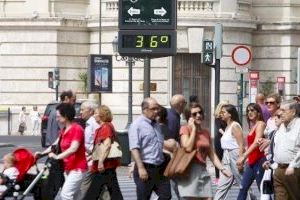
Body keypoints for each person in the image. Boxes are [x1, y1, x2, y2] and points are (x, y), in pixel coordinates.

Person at [177, 102, 231, 200]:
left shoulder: (206, 132)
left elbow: (211, 154)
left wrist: (222, 169)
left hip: (203, 170)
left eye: (200, 112)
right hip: (190, 170)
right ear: (189, 117)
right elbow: (188, 148)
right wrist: (193, 130)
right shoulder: (185, 129)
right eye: (194, 114)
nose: (198, 115)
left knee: (209, 198)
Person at [37, 103, 87, 200]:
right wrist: (41, 154)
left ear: (66, 116)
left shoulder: (77, 129)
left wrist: (57, 157)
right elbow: (54, 145)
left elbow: (73, 148)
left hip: (78, 168)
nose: (56, 119)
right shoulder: (64, 130)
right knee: (76, 196)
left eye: (58, 116)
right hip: (68, 168)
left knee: (65, 195)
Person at [129, 97, 171, 200]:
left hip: (160, 167)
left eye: (158, 109)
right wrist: (140, 167)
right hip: (145, 167)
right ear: (145, 110)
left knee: (166, 195)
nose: (157, 111)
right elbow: (134, 148)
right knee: (144, 197)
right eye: (154, 109)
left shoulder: (156, 124)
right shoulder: (137, 125)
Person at [79, 105, 123, 200]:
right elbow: (101, 147)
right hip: (107, 165)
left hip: (105, 165)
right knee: (114, 191)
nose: (94, 116)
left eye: (95, 113)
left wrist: (100, 162)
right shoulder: (104, 126)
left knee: (93, 192)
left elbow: (107, 145)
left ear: (101, 115)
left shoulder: (105, 127)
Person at [214, 104, 245, 200]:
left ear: (230, 114)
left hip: (235, 155)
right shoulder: (227, 127)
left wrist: (240, 160)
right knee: (222, 185)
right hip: (226, 156)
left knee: (242, 184)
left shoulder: (235, 125)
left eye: (223, 112)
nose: (221, 114)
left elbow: (241, 144)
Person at [271, 100, 300, 200]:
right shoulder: (282, 126)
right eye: (280, 110)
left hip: (294, 170)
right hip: (279, 170)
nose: (280, 113)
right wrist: (272, 162)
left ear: (293, 112)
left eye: (283, 110)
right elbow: (278, 147)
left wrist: (293, 165)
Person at [237, 103, 266, 200]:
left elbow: (256, 142)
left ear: (258, 113)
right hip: (251, 162)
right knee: (243, 188)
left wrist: (244, 156)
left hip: (260, 161)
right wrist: (245, 158)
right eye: (248, 111)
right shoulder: (251, 126)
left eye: (252, 110)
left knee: (263, 190)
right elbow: (249, 145)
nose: (250, 113)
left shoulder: (260, 124)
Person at [166, 94, 187, 199]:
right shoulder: (173, 118)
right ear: (180, 104)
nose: (185, 105)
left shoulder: (172, 115)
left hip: (171, 155)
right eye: (185, 103)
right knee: (176, 183)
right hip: (172, 154)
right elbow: (171, 138)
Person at [213, 101, 228, 184]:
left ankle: (227, 176)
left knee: (227, 158)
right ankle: (217, 177)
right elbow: (219, 128)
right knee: (218, 157)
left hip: (227, 140)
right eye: (224, 106)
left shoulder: (226, 117)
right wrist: (226, 134)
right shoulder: (218, 117)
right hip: (219, 139)